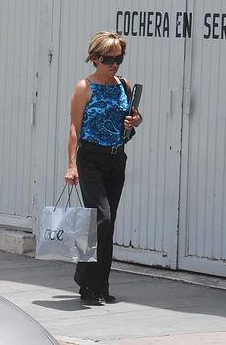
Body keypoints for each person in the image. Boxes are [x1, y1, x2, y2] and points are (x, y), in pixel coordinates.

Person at [65, 30, 142, 305]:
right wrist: (72, 165)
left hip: (116, 158)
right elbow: (74, 127)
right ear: (95, 58)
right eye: (108, 59)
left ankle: (101, 287)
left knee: (109, 225)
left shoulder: (123, 85)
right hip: (90, 159)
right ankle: (86, 283)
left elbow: (132, 117)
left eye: (119, 58)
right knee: (101, 220)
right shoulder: (85, 87)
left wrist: (136, 121)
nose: (114, 64)